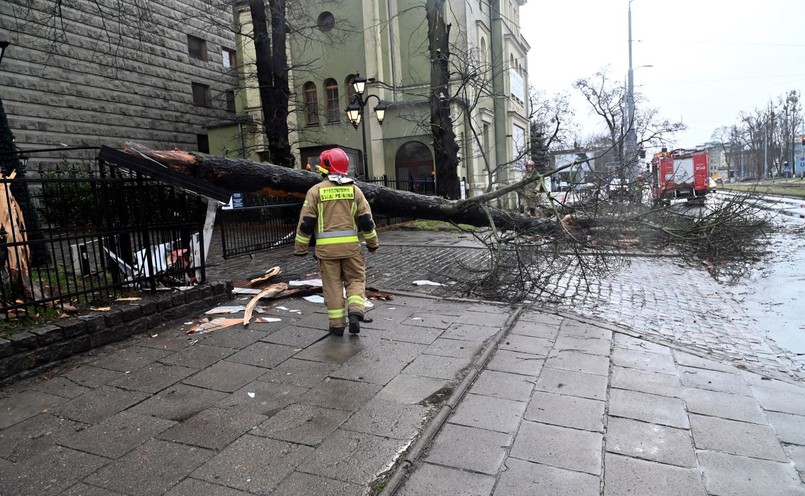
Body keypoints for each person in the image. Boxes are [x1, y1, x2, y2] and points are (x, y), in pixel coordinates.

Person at [294, 148, 379, 336]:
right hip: (351, 250)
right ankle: (356, 311)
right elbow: (366, 221)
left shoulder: (315, 192)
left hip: (326, 252)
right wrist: (372, 243)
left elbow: (306, 224)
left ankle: (337, 325)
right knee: (356, 280)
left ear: (325, 167)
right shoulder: (355, 190)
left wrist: (300, 249)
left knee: (332, 287)